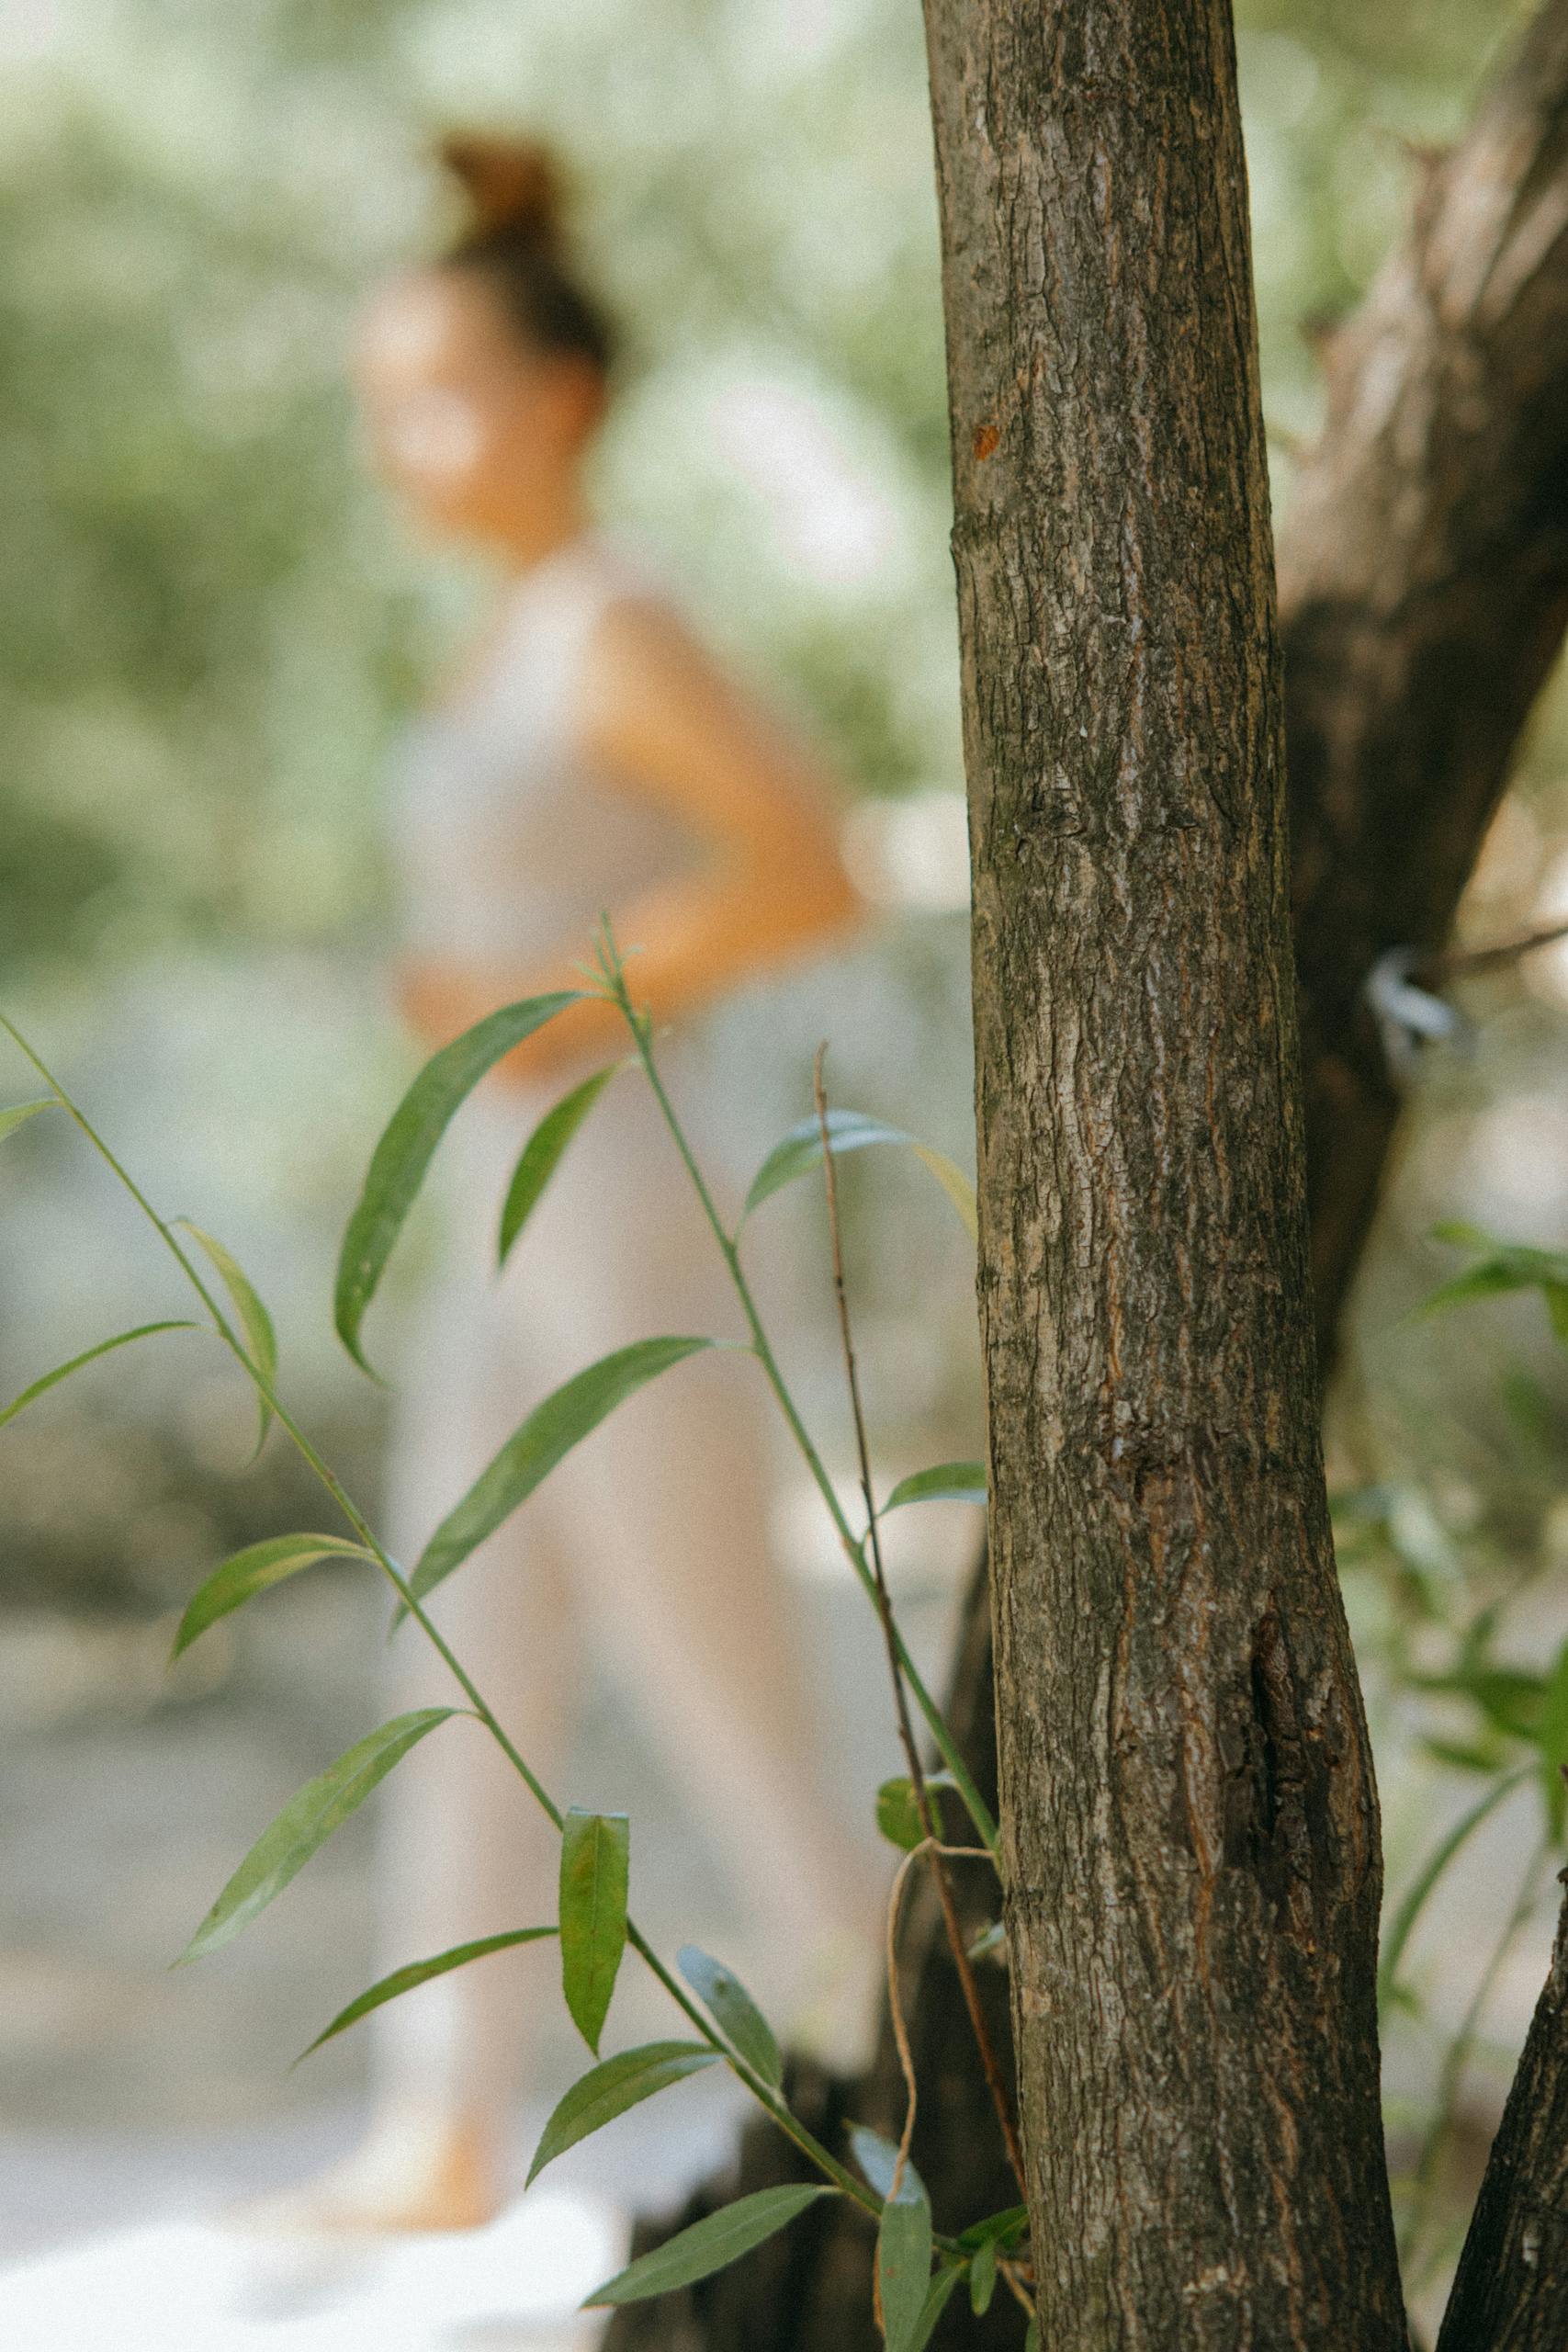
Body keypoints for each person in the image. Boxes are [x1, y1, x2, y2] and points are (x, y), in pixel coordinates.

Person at [296, 134, 873, 2232]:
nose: (397, 441)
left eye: (429, 392)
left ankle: (914, 2073)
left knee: (712, 1668)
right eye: (381, 400)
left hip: (621, 1191)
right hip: (497, 1212)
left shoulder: (616, 619)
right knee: (458, 1655)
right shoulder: (515, 625)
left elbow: (814, 864)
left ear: (559, 395)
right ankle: (435, 2130)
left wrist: (543, 986)